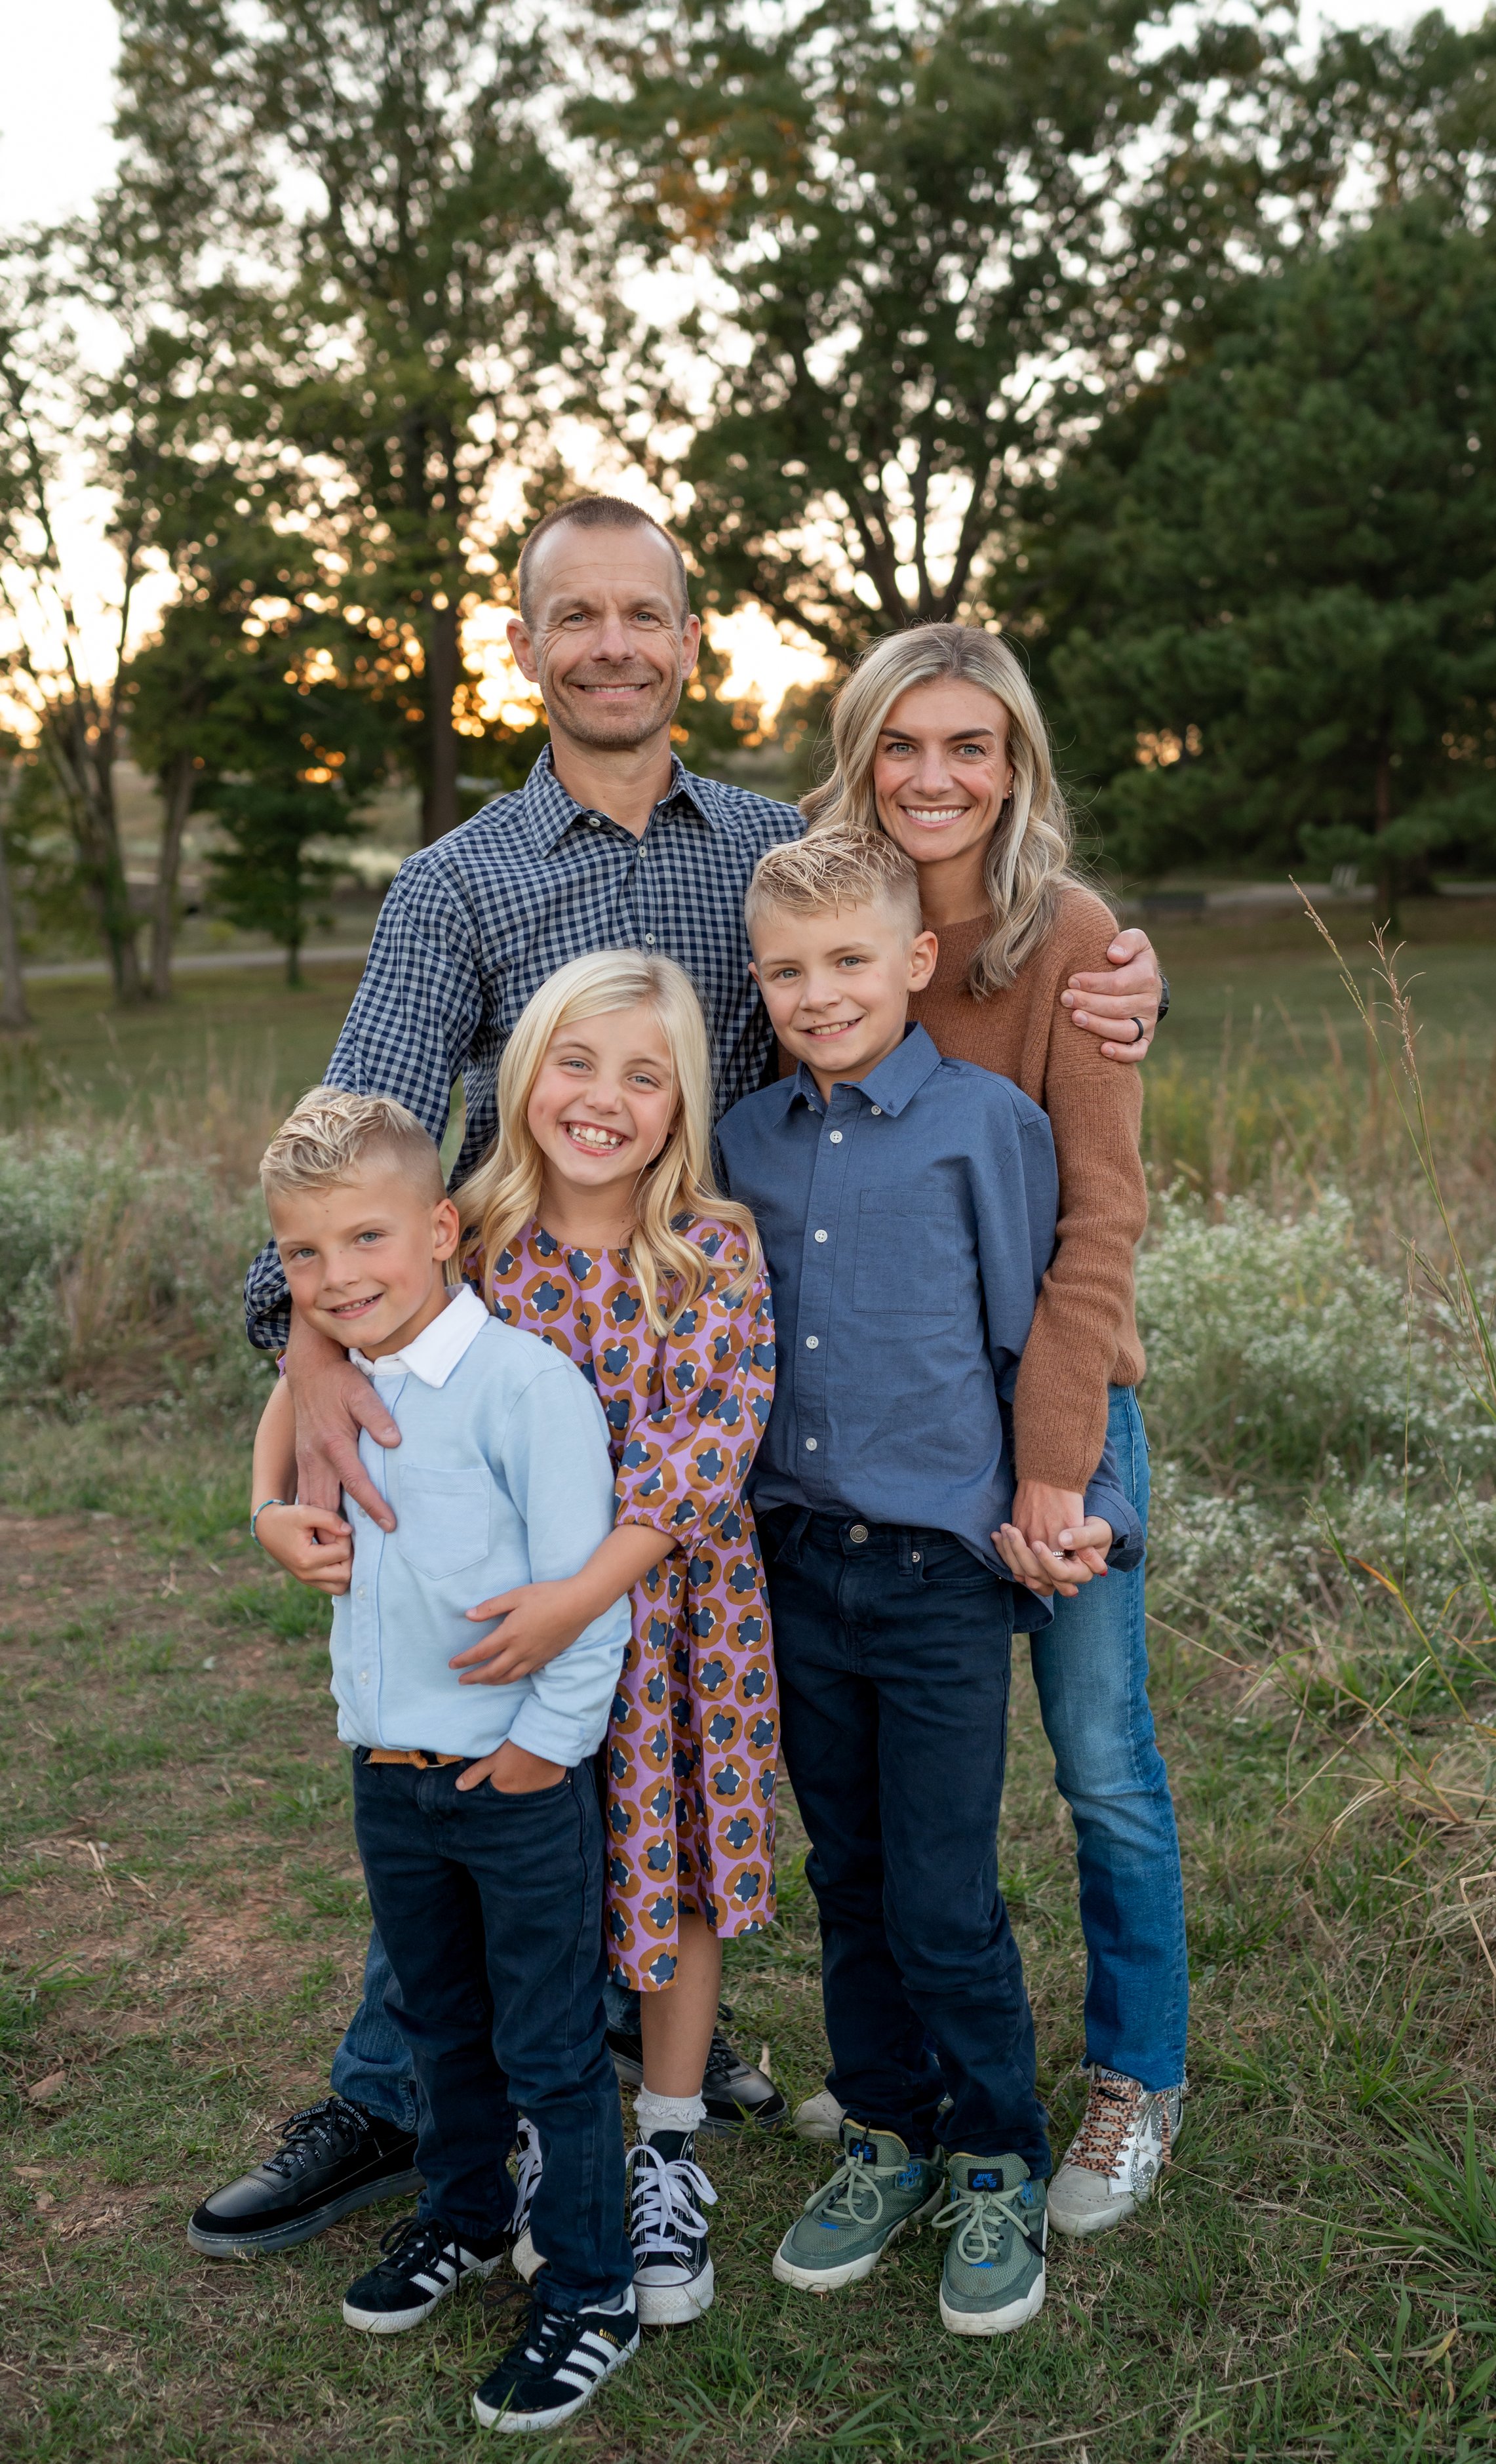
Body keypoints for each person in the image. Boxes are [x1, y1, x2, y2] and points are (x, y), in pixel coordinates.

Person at [199, 490, 1166, 2254]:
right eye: (577, 618)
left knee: (699, 1758)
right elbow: (361, 1143)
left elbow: (935, 937)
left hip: (732, 1395)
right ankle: (398, 2079)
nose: (615, 644)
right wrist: (313, 1342)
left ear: (690, 641)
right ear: (525, 647)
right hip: (523, 1368)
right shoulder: (458, 884)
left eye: (644, 614)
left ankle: (706, 2061)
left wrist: (1118, 962)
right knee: (486, 1715)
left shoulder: (764, 851)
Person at [789, 624, 1187, 2242]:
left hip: (1054, 1426)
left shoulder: (1071, 938)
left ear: (1013, 763)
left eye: (970, 745)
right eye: (902, 743)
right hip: (886, 1447)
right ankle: (916, 2068)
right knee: (887, 1796)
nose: (933, 777)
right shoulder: (826, 922)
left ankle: (1132, 2076)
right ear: (861, 755)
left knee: (1098, 1764)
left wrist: (1052, 1469)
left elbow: (1099, 1226)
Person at [718, 830, 1076, 2338]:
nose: (819, 992)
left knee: (939, 1896)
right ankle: (884, 2131)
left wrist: (1081, 1499)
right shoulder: (740, 1142)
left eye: (850, 960)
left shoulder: (981, 1126)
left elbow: (1037, 1333)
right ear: (758, 984)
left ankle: (993, 2152)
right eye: (788, 970)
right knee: (844, 1877)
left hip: (936, 1578)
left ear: (913, 962)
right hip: (794, 1568)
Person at [243, 1089, 639, 2434]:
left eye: (364, 1239)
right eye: (303, 1255)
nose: (335, 1276)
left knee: (548, 2045)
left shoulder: (524, 1386)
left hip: (512, 1784)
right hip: (389, 1778)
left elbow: (591, 1598)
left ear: (441, 1229)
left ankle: (590, 2287)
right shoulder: (334, 1396)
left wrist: (539, 1755)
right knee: (434, 2023)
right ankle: (466, 2215)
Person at [452, 949, 777, 2328]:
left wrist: (584, 1595)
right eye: (575, 1063)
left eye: (643, 1077)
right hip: (509, 1625)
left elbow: (709, 1447)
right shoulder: (467, 1243)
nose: (602, 1098)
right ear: (525, 1073)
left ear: (680, 1105)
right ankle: (552, 2135)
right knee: (534, 1877)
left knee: (678, 1862)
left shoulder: (710, 1247)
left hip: (673, 1622)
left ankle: (662, 2145)